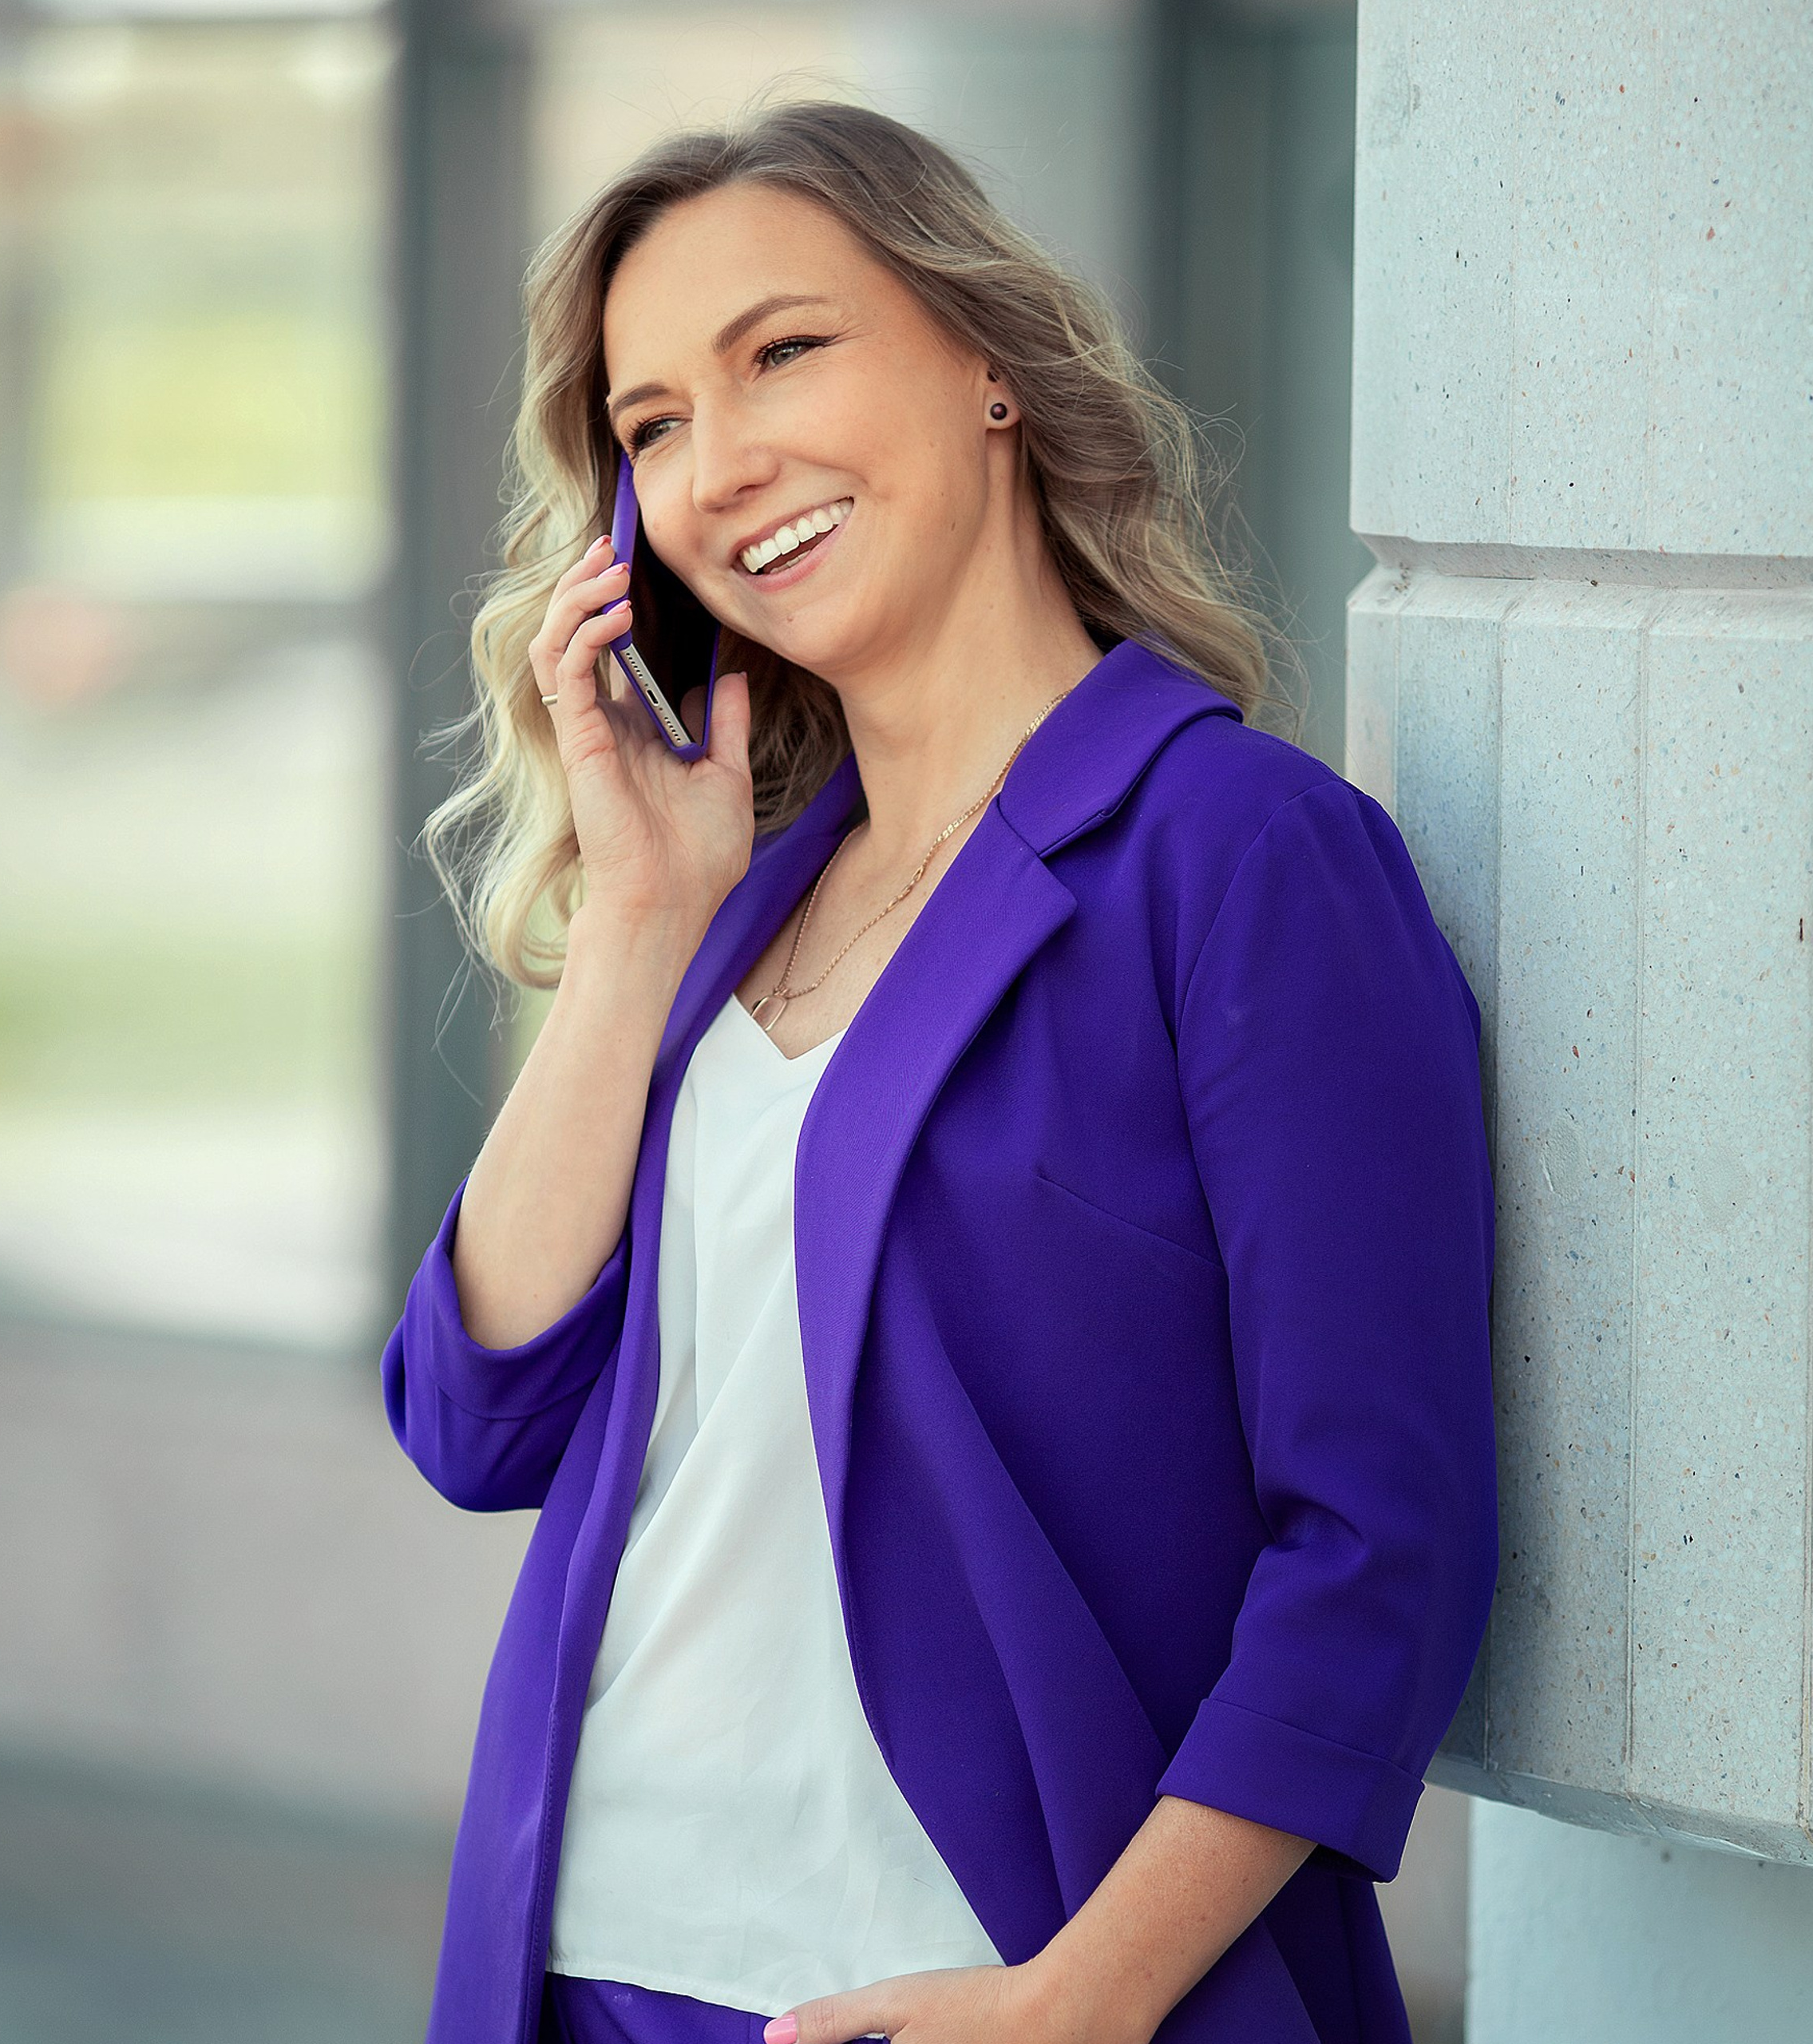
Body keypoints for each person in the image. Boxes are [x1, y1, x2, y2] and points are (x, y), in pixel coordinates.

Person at [382, 100, 1496, 2044]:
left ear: (988, 361)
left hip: (1015, 1987)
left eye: (782, 352)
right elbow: (474, 1415)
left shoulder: (1238, 855)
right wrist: (638, 914)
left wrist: (1086, 1996)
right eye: (653, 424)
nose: (721, 464)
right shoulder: (731, 902)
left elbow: (1376, 1546)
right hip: (591, 1969)